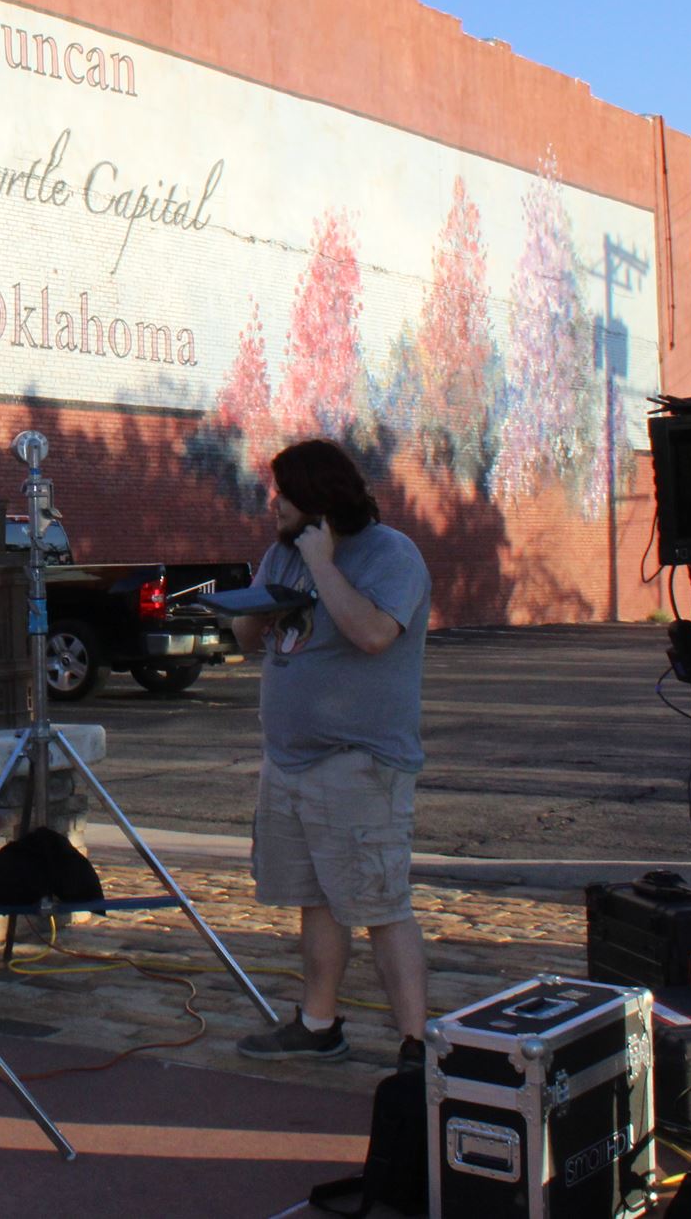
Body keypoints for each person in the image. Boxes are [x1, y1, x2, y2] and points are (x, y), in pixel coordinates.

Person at [222, 438, 434, 1066]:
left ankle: (417, 1044)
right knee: (316, 898)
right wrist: (256, 605)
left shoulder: (391, 555)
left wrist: (322, 564)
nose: (273, 503)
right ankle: (318, 1024)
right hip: (288, 761)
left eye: (282, 491)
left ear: (315, 496)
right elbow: (243, 636)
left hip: (359, 763)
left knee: (379, 902)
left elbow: (372, 634)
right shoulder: (280, 553)